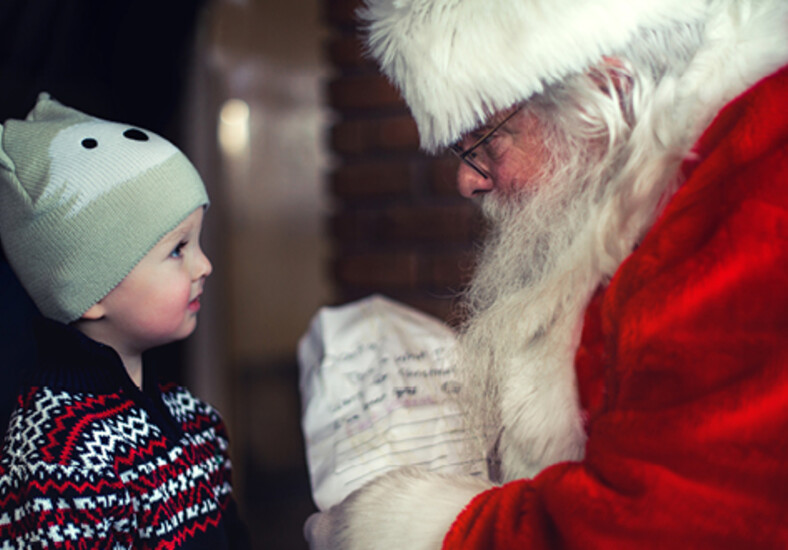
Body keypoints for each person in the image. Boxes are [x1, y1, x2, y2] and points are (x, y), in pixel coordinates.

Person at [305, 0, 788, 548]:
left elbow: (672, 519)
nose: (467, 181)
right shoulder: (659, 182)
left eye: (485, 141)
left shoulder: (760, 184)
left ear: (607, 89)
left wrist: (417, 528)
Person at [0, 93, 250, 549]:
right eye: (178, 249)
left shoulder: (197, 422)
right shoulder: (57, 462)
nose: (204, 266)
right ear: (89, 290)